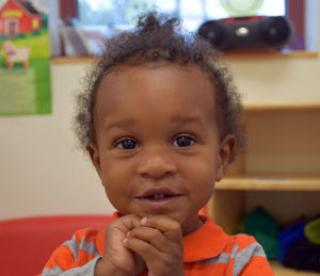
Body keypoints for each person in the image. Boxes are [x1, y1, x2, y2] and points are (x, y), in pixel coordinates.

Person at [42, 12, 273, 276]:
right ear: (98, 163)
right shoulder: (76, 255)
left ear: (221, 157)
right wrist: (108, 272)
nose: (155, 166)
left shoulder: (241, 261)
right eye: (127, 143)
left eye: (183, 140)